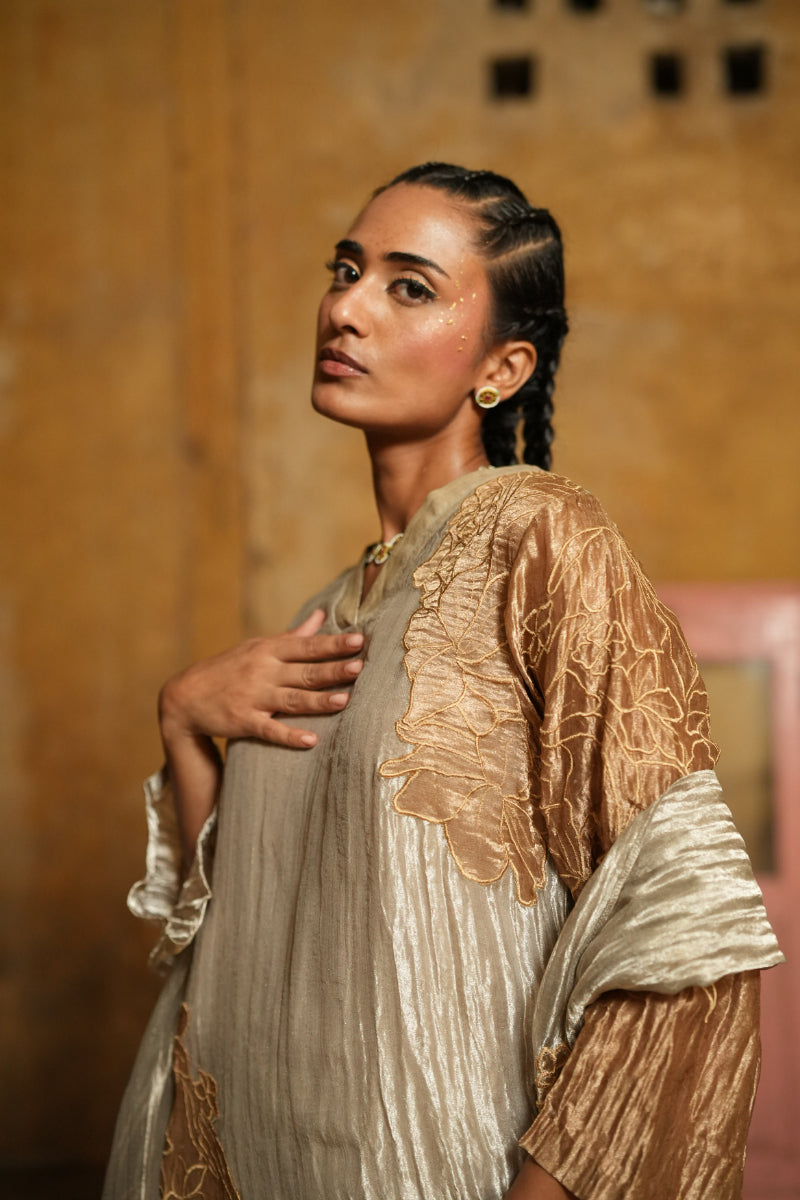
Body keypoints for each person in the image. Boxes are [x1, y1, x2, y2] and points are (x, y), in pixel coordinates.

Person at [103, 163, 782, 1200]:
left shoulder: (542, 541)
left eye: (408, 287)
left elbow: (681, 924)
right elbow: (231, 940)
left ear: (501, 368)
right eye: (345, 271)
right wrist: (186, 723)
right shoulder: (325, 616)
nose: (344, 308)